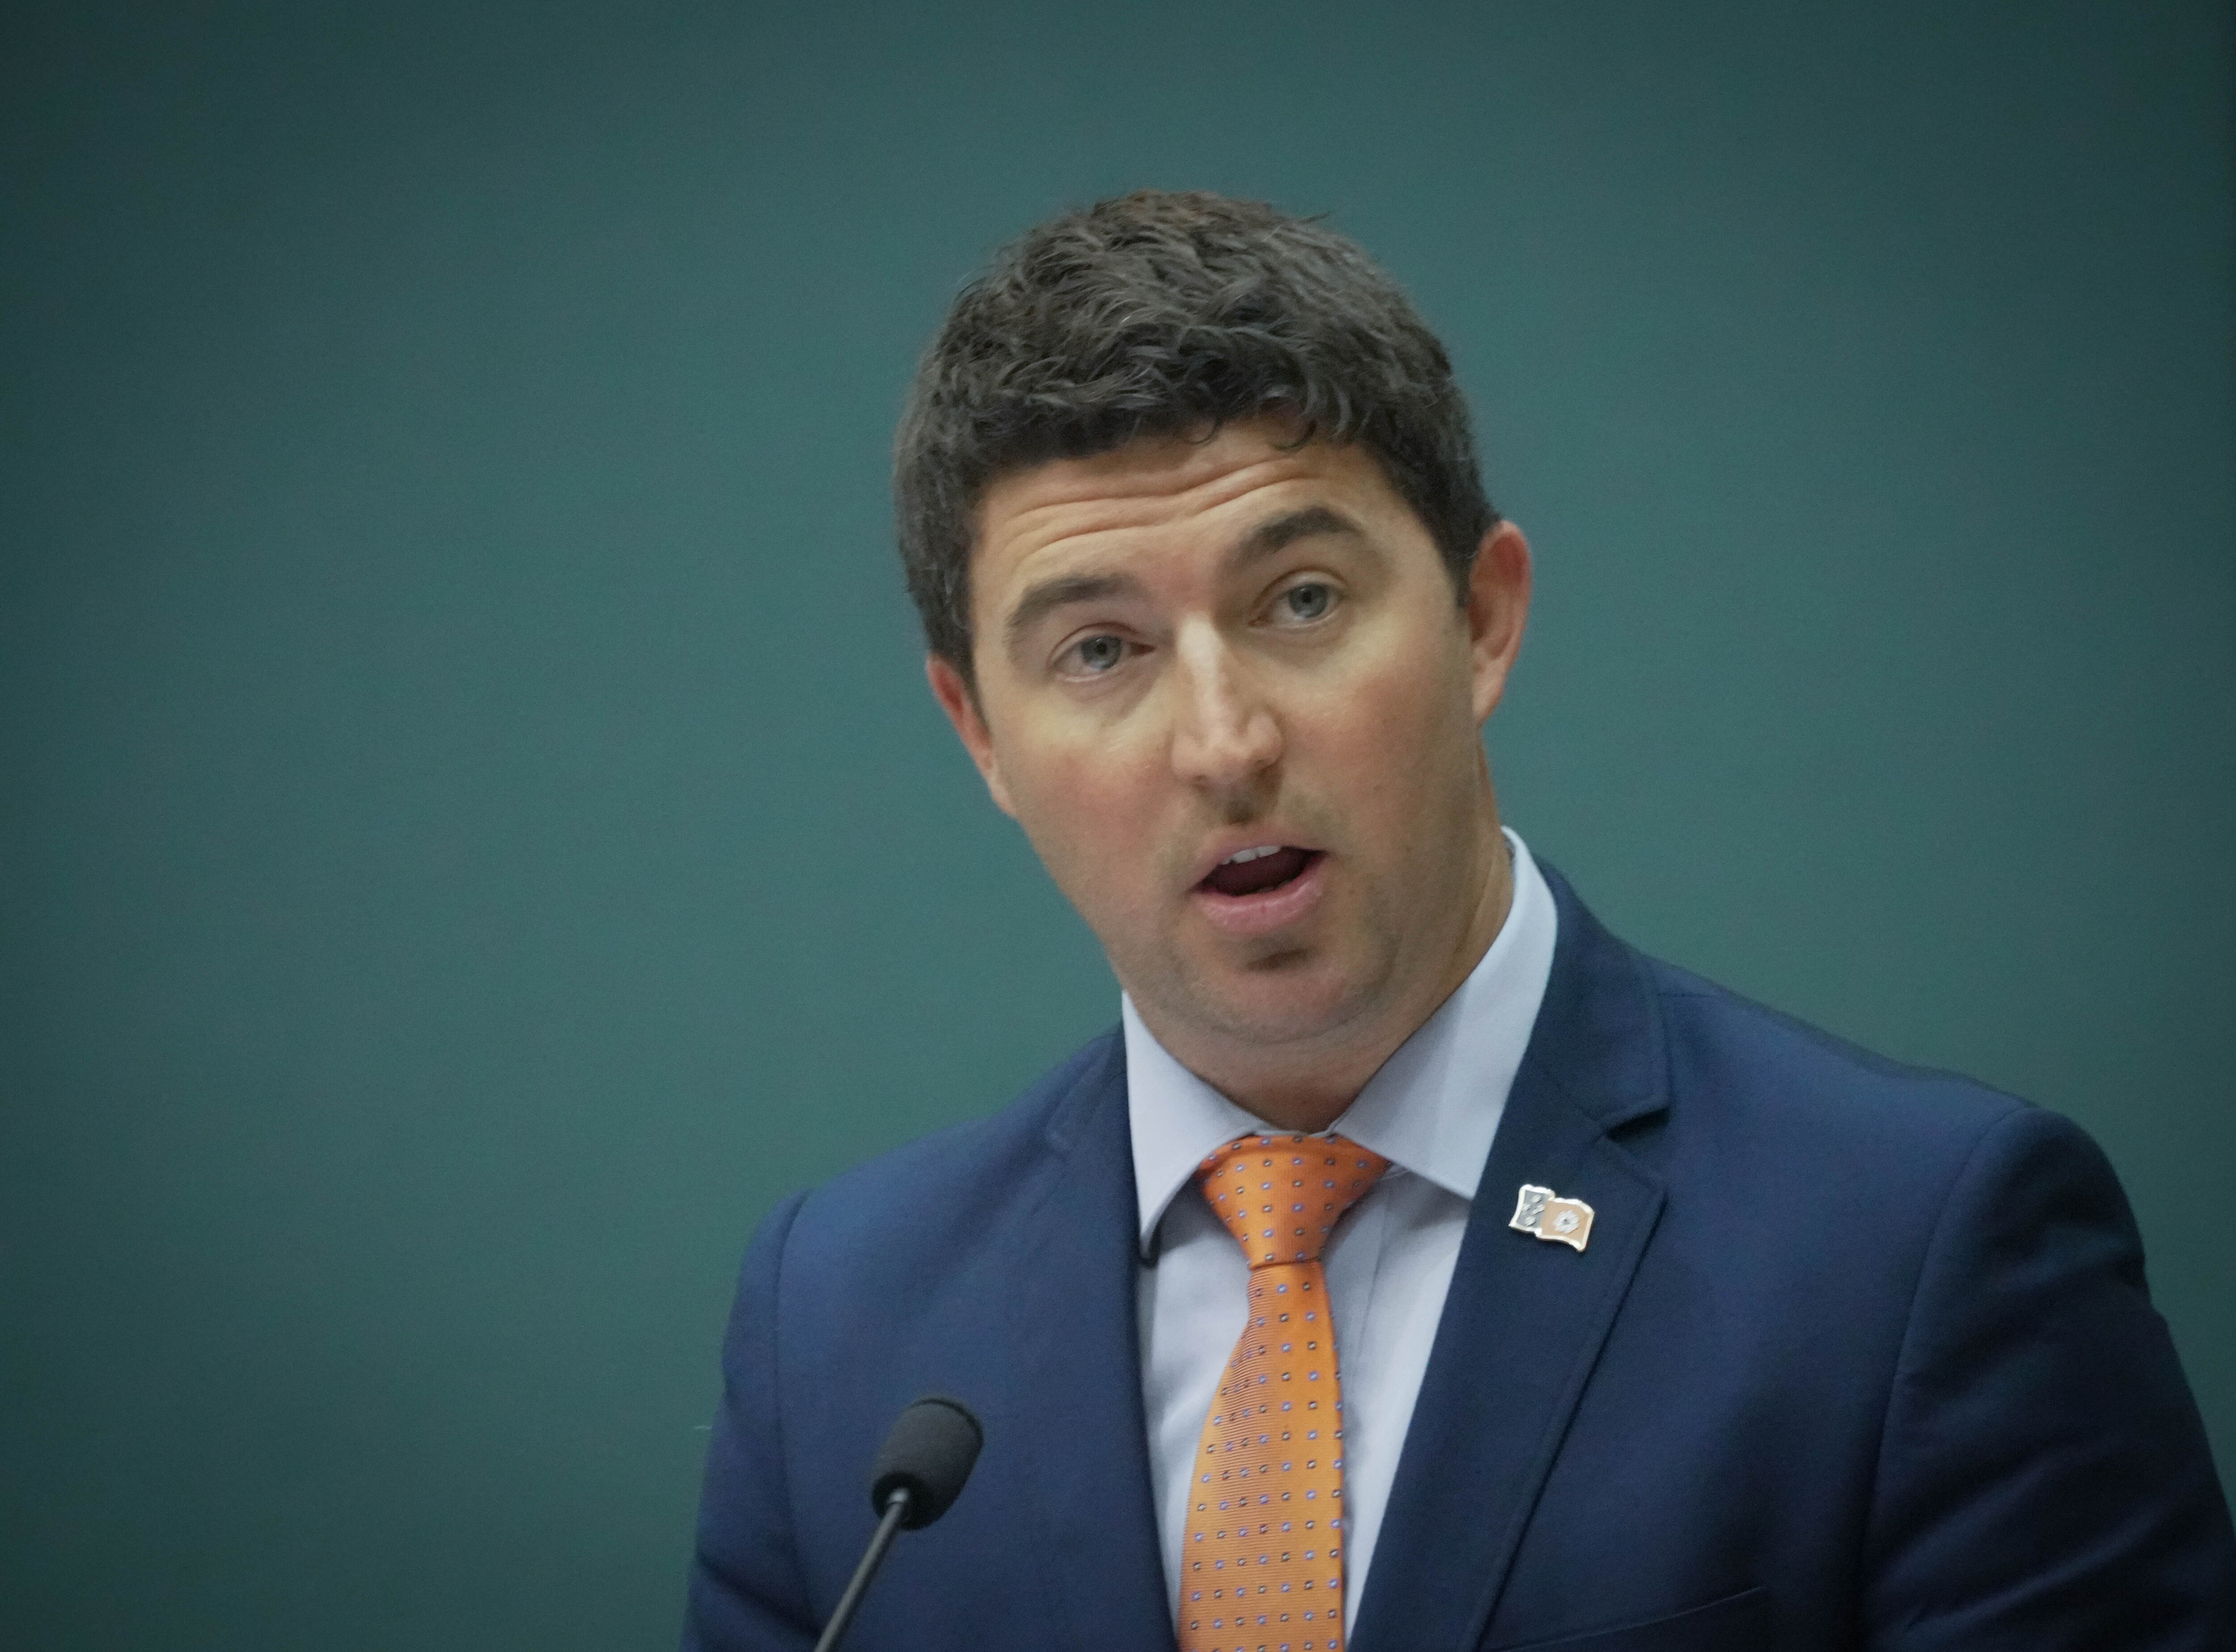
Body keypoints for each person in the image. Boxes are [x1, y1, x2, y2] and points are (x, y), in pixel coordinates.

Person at [682, 191, 2234, 1651]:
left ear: (1484, 617)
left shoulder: (1921, 1256)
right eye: (1100, 649)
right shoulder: (837, 1327)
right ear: (979, 734)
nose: (1223, 743)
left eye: (1300, 599)